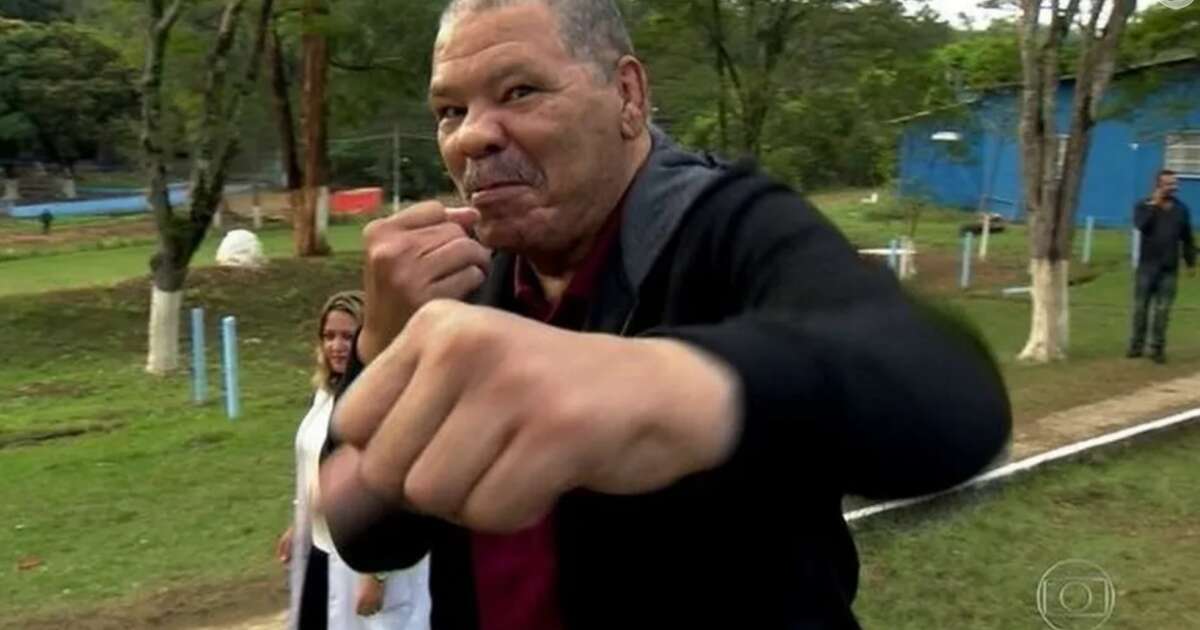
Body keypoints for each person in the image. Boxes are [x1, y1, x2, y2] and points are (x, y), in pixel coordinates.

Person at [316, 1, 1012, 628]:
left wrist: (663, 386)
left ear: (627, 94)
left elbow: (946, 397)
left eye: (519, 91)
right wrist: (383, 343)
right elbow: (374, 539)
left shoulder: (726, 224)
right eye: (449, 110)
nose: (471, 137)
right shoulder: (466, 281)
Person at [277, 290, 431, 630]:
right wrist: (301, 522)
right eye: (329, 336)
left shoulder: (388, 402)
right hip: (321, 553)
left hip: (367, 560)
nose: (337, 345)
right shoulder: (325, 395)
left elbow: (401, 496)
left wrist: (377, 575)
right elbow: (317, 465)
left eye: (348, 336)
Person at [1128, 169, 1195, 364]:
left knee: (1163, 309)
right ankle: (1136, 346)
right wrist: (1154, 206)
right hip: (1147, 267)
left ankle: (1157, 348)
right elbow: (1142, 226)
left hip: (1169, 268)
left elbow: (1187, 238)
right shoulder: (1143, 206)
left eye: (1175, 184)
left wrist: (1190, 262)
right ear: (1158, 186)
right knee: (1141, 308)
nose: (1173, 187)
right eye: (1169, 184)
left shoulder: (1181, 209)